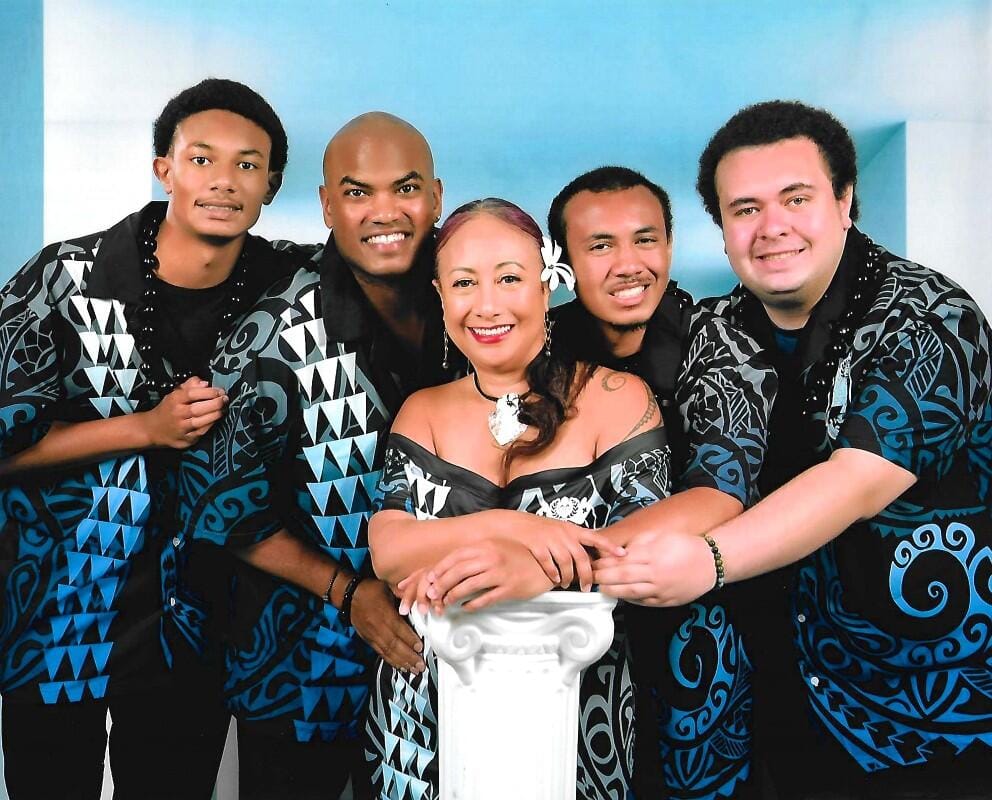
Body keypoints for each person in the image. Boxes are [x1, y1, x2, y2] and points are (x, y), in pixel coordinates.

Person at [595, 100, 992, 798]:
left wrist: (710, 561)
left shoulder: (932, 317)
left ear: (845, 202)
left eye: (796, 198)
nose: (771, 226)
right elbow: (710, 475)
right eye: (745, 209)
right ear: (723, 231)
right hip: (768, 707)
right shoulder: (713, 331)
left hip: (926, 713)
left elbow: (856, 481)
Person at [0, 78, 298, 799]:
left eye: (248, 165)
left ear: (271, 186)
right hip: (60, 604)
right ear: (164, 168)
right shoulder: (66, 279)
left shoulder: (290, 288)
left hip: (194, 619)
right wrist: (145, 429)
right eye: (201, 159)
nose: (224, 180)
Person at [179, 112, 456, 800]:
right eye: (358, 193)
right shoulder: (273, 335)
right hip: (300, 665)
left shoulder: (472, 300)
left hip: (445, 664)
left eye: (406, 188)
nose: (384, 212)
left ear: (436, 197)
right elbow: (216, 507)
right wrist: (348, 593)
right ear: (328, 205)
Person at [365, 197, 671, 800]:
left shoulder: (618, 398)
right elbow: (389, 550)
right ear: (440, 295)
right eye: (464, 283)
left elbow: (642, 545)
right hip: (420, 716)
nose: (486, 305)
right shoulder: (423, 410)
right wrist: (520, 530)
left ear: (547, 284)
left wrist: (497, 559)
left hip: (575, 710)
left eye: (508, 278)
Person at [548, 166, 776, 799]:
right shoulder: (539, 347)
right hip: (565, 637)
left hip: (695, 633)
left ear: (670, 247)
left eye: (645, 240)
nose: (629, 265)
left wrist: (555, 561)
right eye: (600, 245)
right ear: (563, 263)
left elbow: (720, 493)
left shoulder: (721, 341)